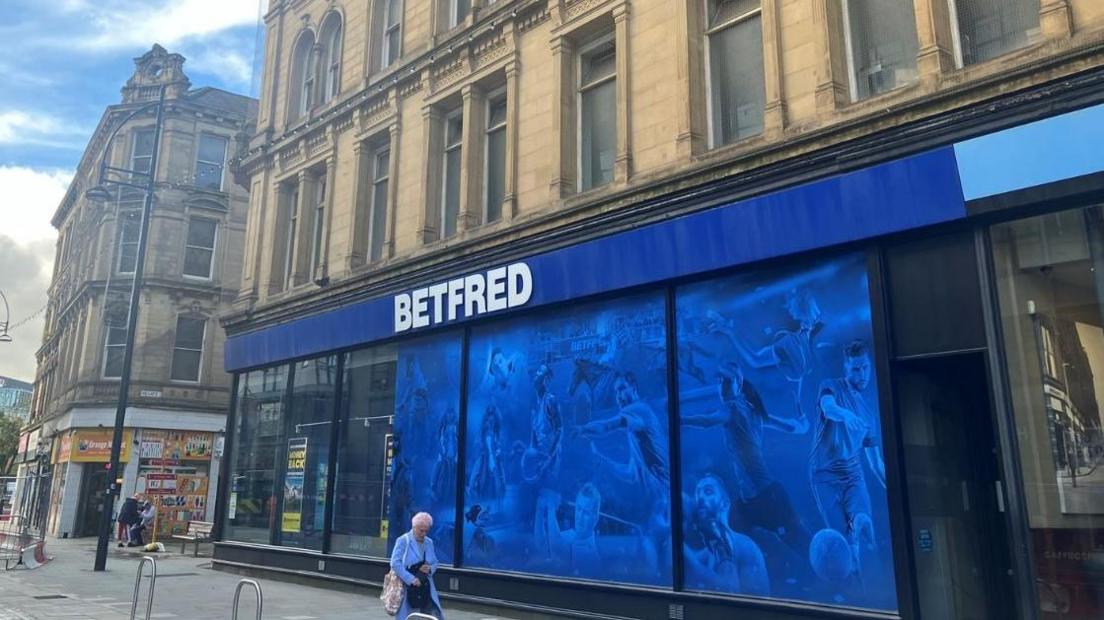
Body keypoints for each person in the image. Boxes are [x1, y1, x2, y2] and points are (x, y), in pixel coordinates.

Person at [682, 360, 812, 566]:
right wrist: (802, 418)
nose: (721, 386)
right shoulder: (754, 410)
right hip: (755, 501)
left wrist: (678, 418)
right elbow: (794, 427)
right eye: (719, 381)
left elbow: (707, 421)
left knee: (805, 549)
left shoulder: (733, 408)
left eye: (727, 381)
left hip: (769, 499)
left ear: (739, 382)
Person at [809, 340, 886, 579]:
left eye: (865, 368)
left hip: (854, 476)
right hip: (824, 476)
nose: (861, 374)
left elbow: (876, 464)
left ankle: (861, 538)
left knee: (862, 526)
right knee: (842, 538)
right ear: (846, 369)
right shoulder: (830, 386)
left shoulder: (869, 416)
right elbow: (828, 408)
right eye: (855, 369)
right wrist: (846, 415)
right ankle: (852, 567)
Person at [683, 474, 770, 596]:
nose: (700, 497)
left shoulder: (745, 545)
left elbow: (751, 599)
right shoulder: (707, 553)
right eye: (697, 493)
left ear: (725, 503)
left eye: (708, 491)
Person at [390, 512, 445, 620]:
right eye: (421, 530)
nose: (424, 533)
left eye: (426, 530)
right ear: (414, 527)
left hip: (425, 586)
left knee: (428, 614)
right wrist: (411, 579)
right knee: (409, 615)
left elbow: (434, 562)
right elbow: (395, 563)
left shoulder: (429, 542)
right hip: (408, 587)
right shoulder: (403, 540)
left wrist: (430, 569)